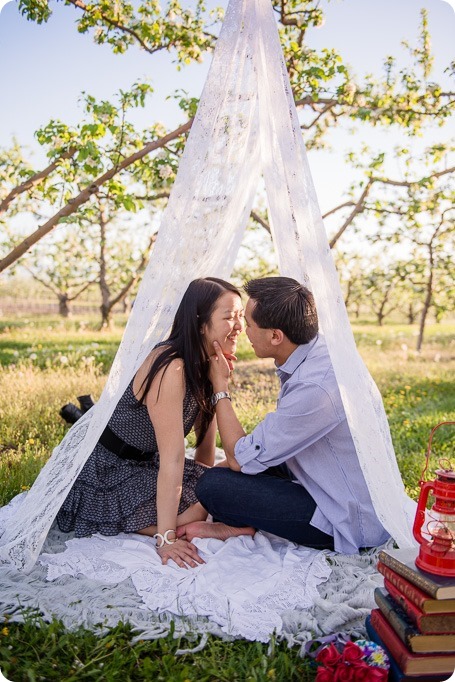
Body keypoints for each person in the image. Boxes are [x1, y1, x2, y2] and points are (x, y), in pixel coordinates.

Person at [178, 276, 390, 554]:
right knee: (225, 470)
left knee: (214, 484)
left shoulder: (315, 388)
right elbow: (245, 456)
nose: (242, 330)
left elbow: (238, 459)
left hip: (345, 518)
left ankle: (236, 524)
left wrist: (220, 387)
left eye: (249, 324)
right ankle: (236, 523)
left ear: (276, 336)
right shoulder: (316, 352)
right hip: (321, 477)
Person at [57, 277, 254, 569]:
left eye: (240, 316)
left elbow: (205, 446)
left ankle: (200, 520)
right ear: (200, 323)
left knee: (233, 474)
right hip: (106, 468)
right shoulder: (170, 366)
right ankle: (194, 525)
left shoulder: (209, 363)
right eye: (229, 317)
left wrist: (207, 484)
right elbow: (173, 458)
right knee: (191, 513)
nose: (239, 326)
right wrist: (166, 538)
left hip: (146, 464)